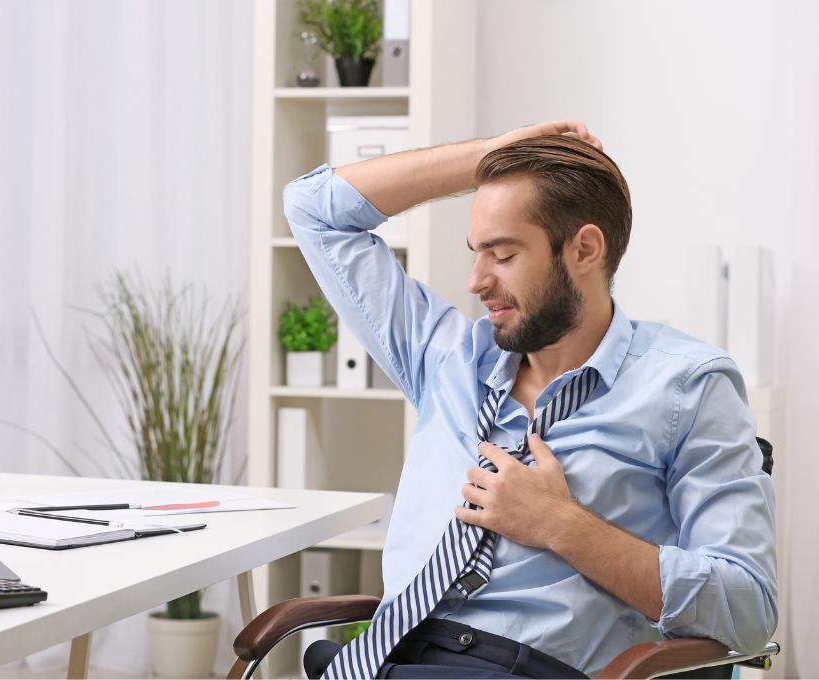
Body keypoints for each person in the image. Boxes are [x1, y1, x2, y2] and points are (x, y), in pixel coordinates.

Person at [283, 120, 778, 679]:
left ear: (585, 249)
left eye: (503, 254)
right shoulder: (447, 358)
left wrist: (561, 525)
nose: (475, 280)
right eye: (476, 252)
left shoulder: (688, 387)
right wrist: (497, 155)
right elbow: (312, 209)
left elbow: (750, 607)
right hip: (390, 657)